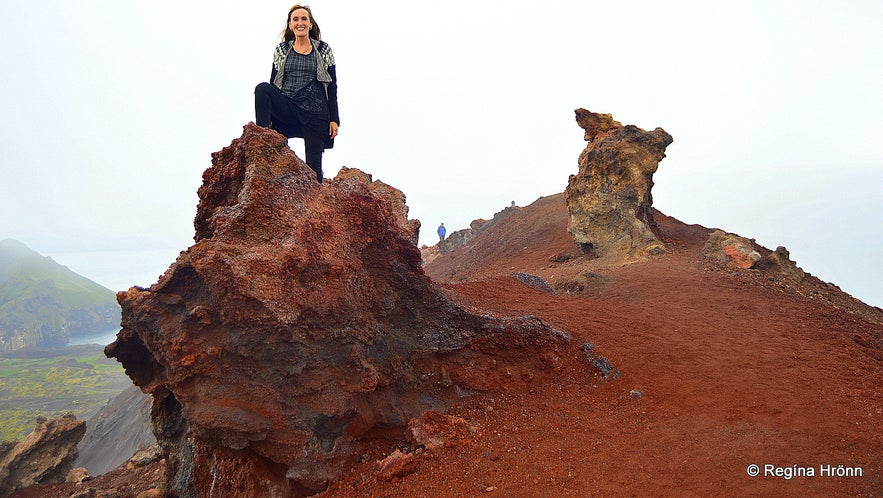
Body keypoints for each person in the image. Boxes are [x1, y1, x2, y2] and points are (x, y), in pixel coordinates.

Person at [254, 4, 339, 183]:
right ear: (290, 24)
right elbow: (273, 82)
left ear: (310, 24)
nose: (300, 22)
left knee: (314, 171)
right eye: (296, 19)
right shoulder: (281, 50)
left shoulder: (324, 50)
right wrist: (269, 116)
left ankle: (317, 206)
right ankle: (261, 138)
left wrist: (334, 119)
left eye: (304, 19)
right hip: (289, 106)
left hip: (315, 112)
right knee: (262, 89)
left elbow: (332, 86)